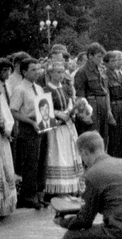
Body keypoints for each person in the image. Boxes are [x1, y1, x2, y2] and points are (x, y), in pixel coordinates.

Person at [10, 58, 48, 209]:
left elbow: (44, 106)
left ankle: (39, 194)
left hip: (42, 124)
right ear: (24, 72)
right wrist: (31, 122)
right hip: (28, 126)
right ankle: (28, 195)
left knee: (41, 160)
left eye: (38, 69)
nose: (37, 72)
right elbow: (14, 111)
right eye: (33, 70)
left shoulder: (38, 88)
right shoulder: (20, 89)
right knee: (31, 161)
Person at [43, 61, 84, 196]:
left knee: (70, 153)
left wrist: (71, 111)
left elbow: (70, 103)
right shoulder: (46, 89)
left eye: (62, 72)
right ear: (50, 74)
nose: (60, 75)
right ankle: (59, 188)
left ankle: (72, 186)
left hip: (68, 127)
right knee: (58, 154)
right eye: (57, 72)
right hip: (56, 128)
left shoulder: (65, 88)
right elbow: (45, 111)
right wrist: (61, 115)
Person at [74, 43, 112, 145]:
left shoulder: (100, 70)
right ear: (90, 56)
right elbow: (80, 97)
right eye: (98, 57)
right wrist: (85, 116)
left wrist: (108, 110)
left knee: (103, 137)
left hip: (102, 104)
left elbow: (105, 91)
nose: (101, 59)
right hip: (91, 105)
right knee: (92, 138)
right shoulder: (82, 72)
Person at [103, 51, 122, 159]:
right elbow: (107, 94)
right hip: (113, 106)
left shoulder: (119, 74)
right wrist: (109, 112)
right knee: (115, 137)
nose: (115, 63)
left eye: (116, 60)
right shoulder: (105, 76)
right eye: (112, 61)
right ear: (106, 63)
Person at [0, 57, 16, 217]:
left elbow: (5, 110)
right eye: (3, 70)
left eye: (8, 70)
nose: (7, 73)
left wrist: (6, 127)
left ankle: (4, 205)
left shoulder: (5, 87)